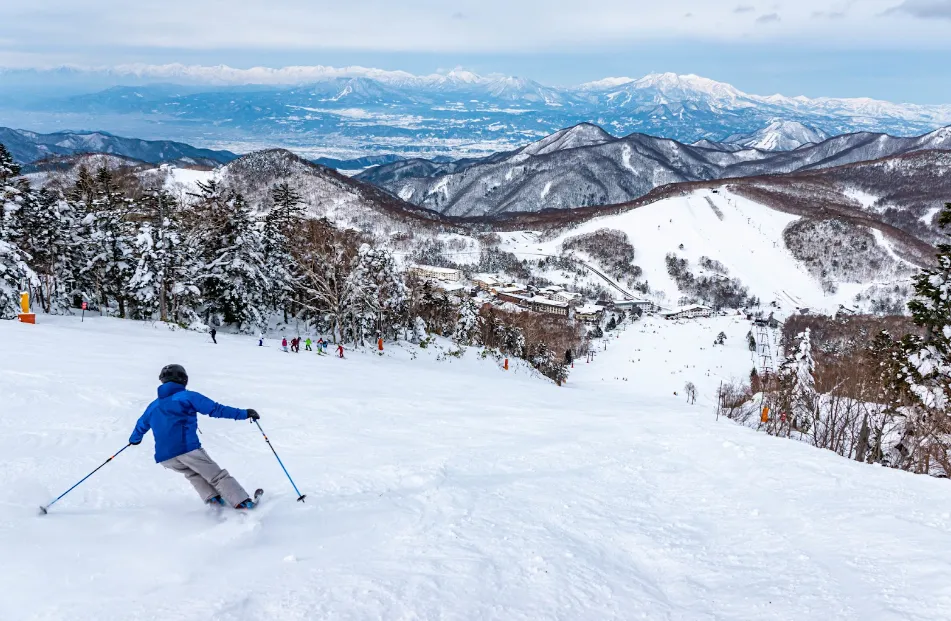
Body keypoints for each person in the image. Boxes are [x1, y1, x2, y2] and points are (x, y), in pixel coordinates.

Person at [128, 364, 259, 509]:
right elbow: (215, 409)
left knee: (194, 474)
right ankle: (243, 503)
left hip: (165, 457)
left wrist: (134, 439)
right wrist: (244, 413)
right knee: (216, 476)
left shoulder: (153, 406)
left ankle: (214, 501)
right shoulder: (186, 397)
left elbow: (141, 424)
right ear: (184, 379)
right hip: (186, 449)